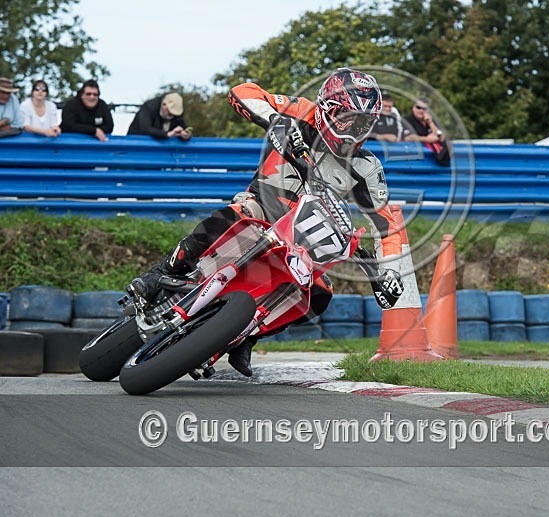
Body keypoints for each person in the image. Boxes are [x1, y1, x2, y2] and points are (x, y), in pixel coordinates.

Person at [127, 68, 404, 377]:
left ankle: (246, 337)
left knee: (321, 294)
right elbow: (241, 91)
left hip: (306, 239)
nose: (352, 129)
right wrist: (276, 119)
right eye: (346, 117)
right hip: (264, 205)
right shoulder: (301, 111)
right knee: (235, 214)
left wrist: (388, 270)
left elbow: (386, 224)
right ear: (327, 106)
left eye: (363, 123)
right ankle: (161, 273)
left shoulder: (367, 167)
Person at [402, 96, 450, 166]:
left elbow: (441, 137)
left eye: (424, 109)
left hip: (435, 161)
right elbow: (408, 138)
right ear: (413, 108)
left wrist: (430, 123)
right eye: (418, 107)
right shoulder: (407, 120)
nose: (421, 110)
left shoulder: (431, 121)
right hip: (415, 160)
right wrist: (427, 139)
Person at [127, 92, 192, 140]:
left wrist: (186, 134)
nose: (172, 116)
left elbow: (183, 126)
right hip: (137, 141)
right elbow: (146, 128)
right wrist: (167, 134)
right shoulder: (149, 107)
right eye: (170, 113)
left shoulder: (177, 113)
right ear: (164, 105)